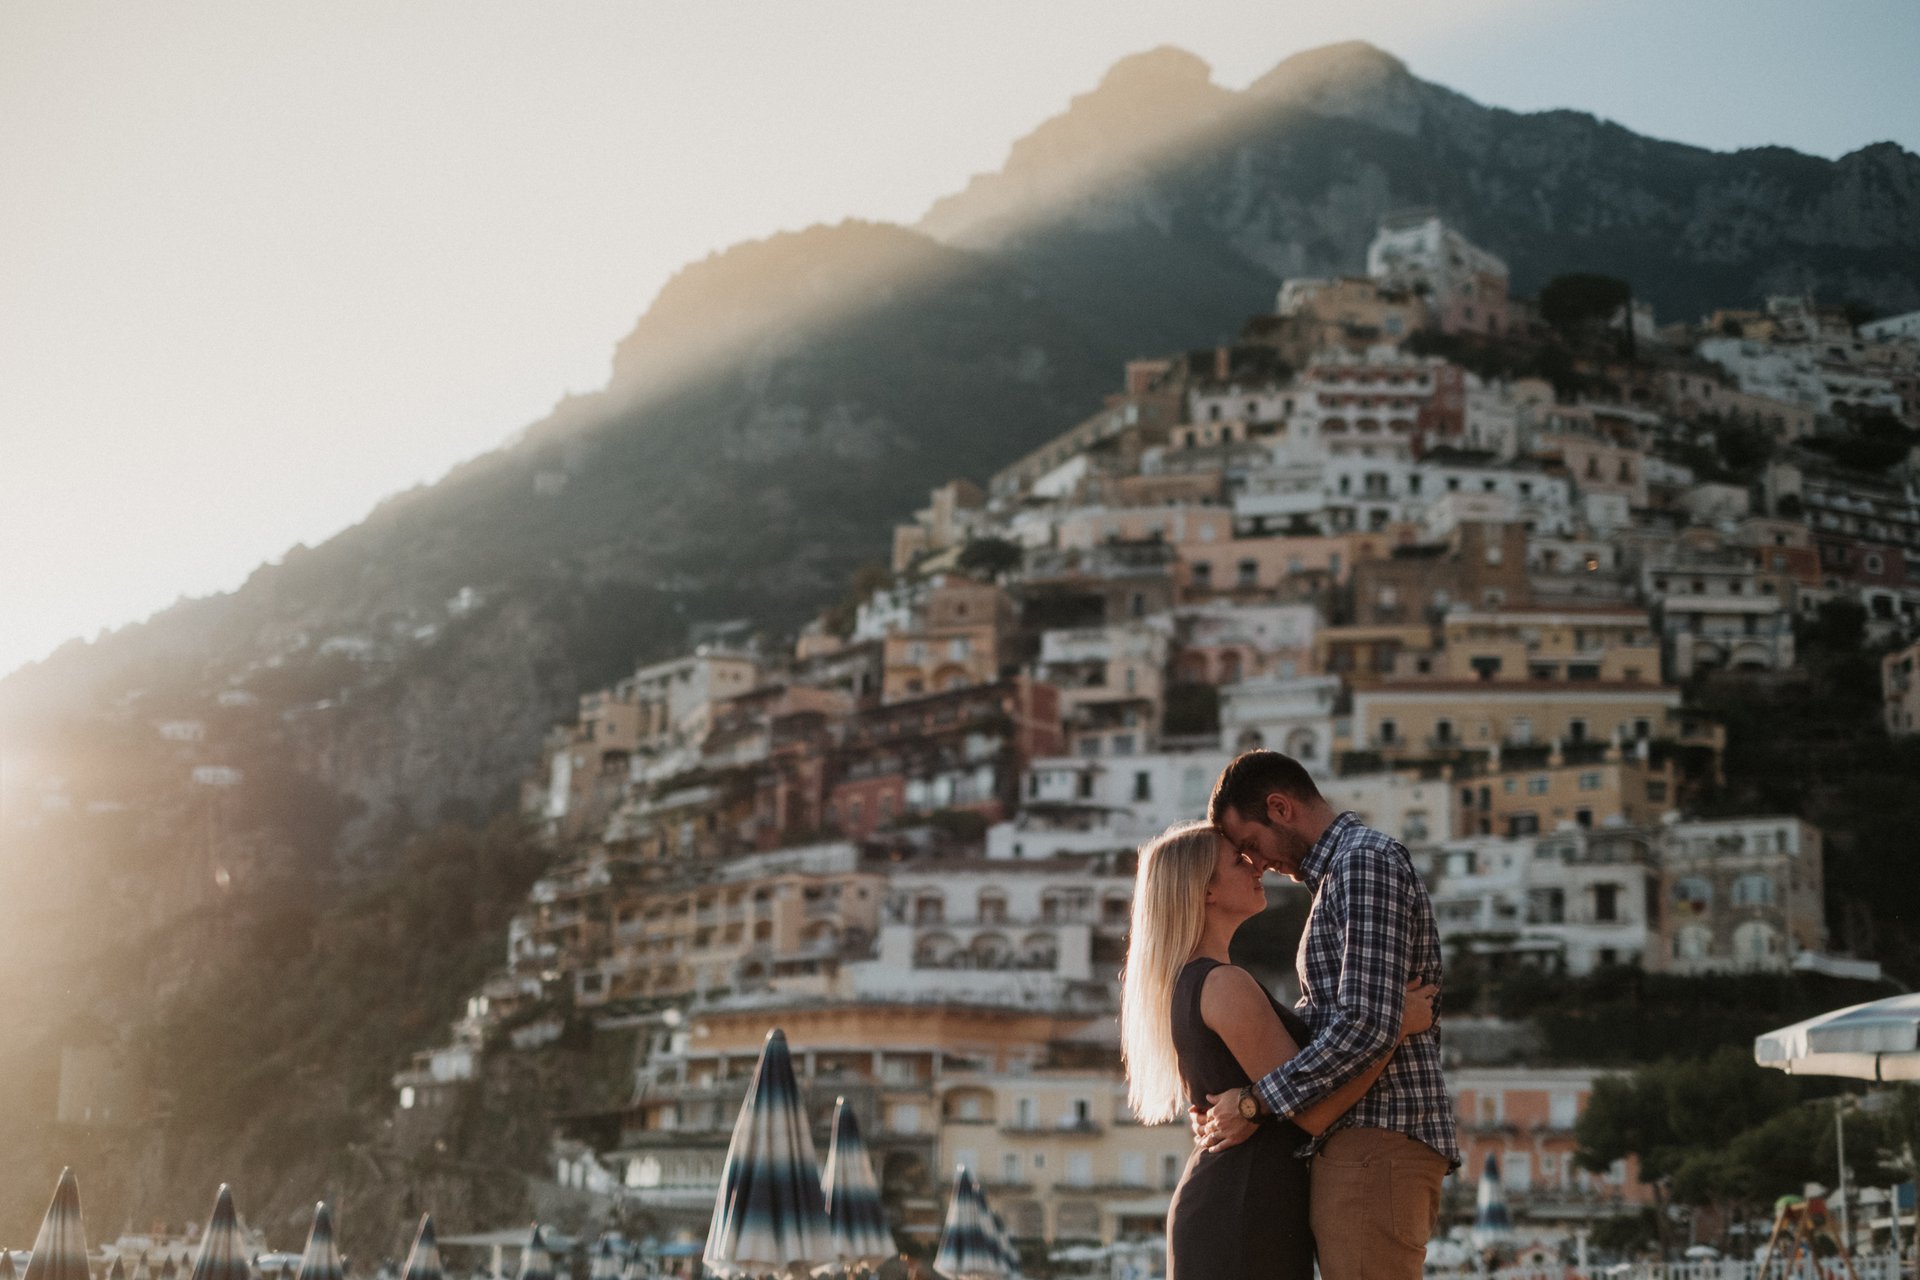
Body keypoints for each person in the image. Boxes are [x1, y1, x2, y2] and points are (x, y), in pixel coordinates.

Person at [1121, 820, 1438, 1280]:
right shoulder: (1224, 984)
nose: (1258, 868)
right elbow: (1313, 1112)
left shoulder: (1196, 981)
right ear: (1206, 891)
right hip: (1244, 1208)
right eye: (1239, 861)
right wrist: (1394, 1026)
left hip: (1243, 1202)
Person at [1197, 750, 1460, 1280]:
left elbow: (1365, 1024)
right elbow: (1355, 1019)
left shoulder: (1362, 864)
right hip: (1368, 1141)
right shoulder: (1342, 874)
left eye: (1253, 845)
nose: (1258, 864)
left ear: (1280, 808)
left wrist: (1254, 1103)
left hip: (1377, 1135)